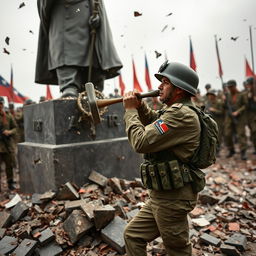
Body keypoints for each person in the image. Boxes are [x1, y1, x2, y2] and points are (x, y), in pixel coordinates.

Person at [123, 61, 201, 256]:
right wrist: (140, 107)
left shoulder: (182, 115)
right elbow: (156, 122)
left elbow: (140, 142)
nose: (159, 86)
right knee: (132, 236)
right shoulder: (173, 111)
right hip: (162, 192)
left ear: (179, 90)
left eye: (165, 82)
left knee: (177, 249)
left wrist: (130, 111)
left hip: (173, 197)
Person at [35, 0, 122, 98]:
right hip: (64, 17)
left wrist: (97, 13)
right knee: (66, 54)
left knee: (94, 54)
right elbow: (44, 9)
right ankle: (69, 85)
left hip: (88, 18)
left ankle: (93, 88)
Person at [224, 79, 247, 160]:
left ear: (234, 86)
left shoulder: (241, 94)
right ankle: (231, 150)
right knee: (227, 134)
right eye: (228, 87)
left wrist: (238, 111)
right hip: (229, 117)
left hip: (240, 117)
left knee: (241, 134)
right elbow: (225, 106)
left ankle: (243, 152)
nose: (229, 89)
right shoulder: (227, 95)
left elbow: (245, 105)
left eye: (231, 87)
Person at [0, 97, 17, 191]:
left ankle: (10, 183)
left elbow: (15, 128)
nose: (0, 106)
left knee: (9, 166)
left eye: (1, 104)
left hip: (7, 146)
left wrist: (9, 132)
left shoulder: (8, 116)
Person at [244, 76, 256, 153]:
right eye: (248, 84)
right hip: (250, 116)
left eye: (250, 84)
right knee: (253, 132)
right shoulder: (247, 93)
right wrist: (248, 98)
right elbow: (246, 105)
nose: (249, 86)